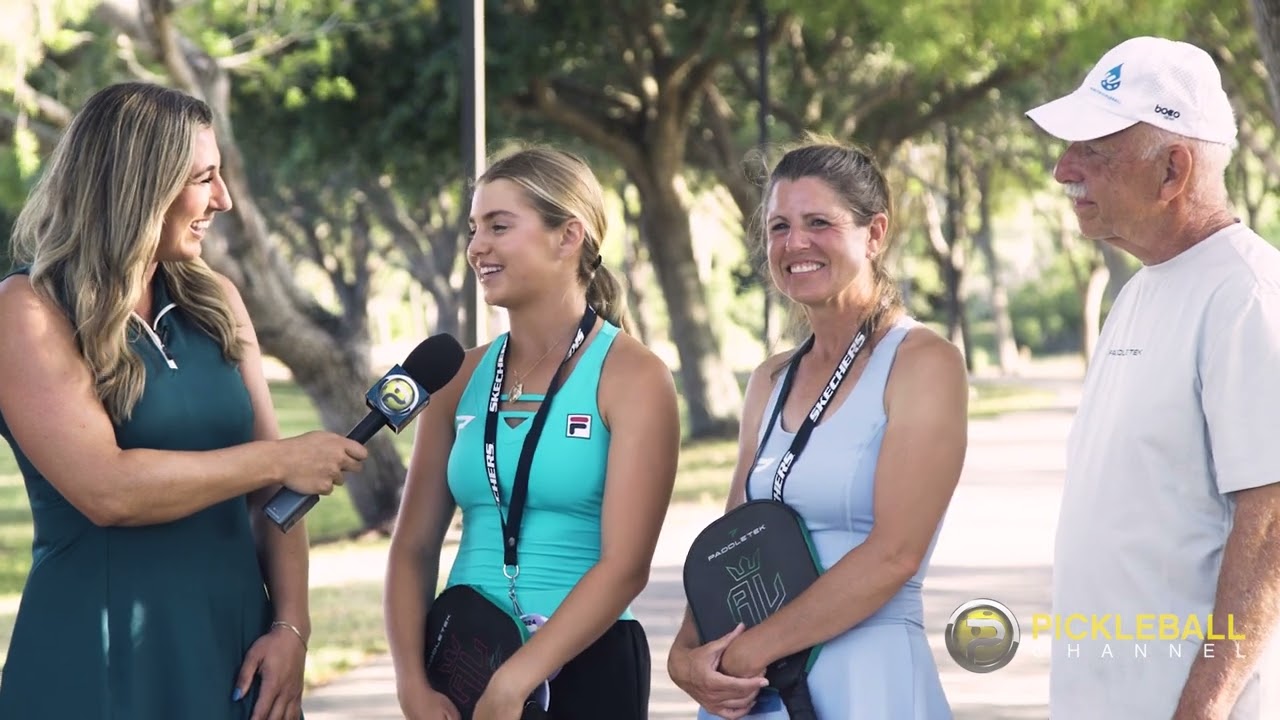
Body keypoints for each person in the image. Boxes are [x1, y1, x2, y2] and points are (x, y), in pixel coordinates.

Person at [0, 82, 368, 720]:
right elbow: (107, 491)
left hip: (237, 649)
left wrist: (291, 629)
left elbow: (272, 503)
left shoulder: (217, 299)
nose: (221, 200)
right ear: (139, 186)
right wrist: (277, 460)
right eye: (204, 178)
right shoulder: (27, 312)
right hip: (99, 655)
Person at [1024, 35, 1280, 719]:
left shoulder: (1246, 296)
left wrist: (1207, 701)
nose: (1061, 171)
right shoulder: (1142, 290)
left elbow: (1272, 518)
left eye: (1093, 153)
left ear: (1173, 170)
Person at [666, 139, 968, 719]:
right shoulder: (769, 378)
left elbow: (894, 554)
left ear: (874, 233)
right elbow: (729, 542)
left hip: (863, 679)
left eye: (819, 223)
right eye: (779, 226)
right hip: (749, 692)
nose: (794, 243)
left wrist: (751, 651)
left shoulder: (923, 362)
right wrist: (686, 655)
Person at [384, 145, 680, 720]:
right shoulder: (458, 377)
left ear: (568, 237)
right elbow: (413, 548)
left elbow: (625, 566)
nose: (477, 248)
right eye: (474, 229)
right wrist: (411, 684)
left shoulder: (634, 376)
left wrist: (518, 677)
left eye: (499, 226)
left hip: (586, 670)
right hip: (462, 668)